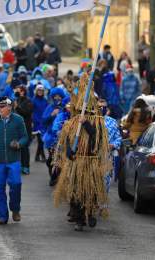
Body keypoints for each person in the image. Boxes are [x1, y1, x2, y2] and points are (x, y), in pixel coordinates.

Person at [53, 73, 110, 232]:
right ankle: (79, 219)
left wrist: (86, 125)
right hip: (76, 161)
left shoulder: (98, 123)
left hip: (90, 161)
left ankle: (90, 213)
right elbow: (65, 142)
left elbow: (97, 141)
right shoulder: (71, 124)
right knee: (76, 191)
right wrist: (69, 151)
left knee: (90, 191)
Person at [0, 96, 29, 224]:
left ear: (9, 107)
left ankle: (15, 209)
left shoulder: (18, 120)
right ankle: (2, 215)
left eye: (2, 106)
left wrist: (18, 144)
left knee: (16, 184)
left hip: (14, 160)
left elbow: (25, 137)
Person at [42, 87, 66, 185]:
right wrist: (51, 114)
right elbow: (43, 120)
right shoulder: (50, 107)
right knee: (51, 159)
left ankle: (57, 178)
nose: (57, 98)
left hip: (62, 137)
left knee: (60, 159)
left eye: (59, 96)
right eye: (55, 96)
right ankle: (53, 176)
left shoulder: (65, 108)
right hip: (51, 137)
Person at [14, 85, 33, 175]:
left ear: (23, 91)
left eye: (19, 91)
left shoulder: (28, 101)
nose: (17, 92)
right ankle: (21, 166)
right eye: (17, 91)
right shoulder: (16, 100)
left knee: (25, 147)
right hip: (17, 128)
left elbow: (27, 113)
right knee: (18, 147)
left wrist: (17, 107)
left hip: (26, 128)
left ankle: (26, 167)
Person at [31, 85, 48, 162]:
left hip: (43, 123)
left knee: (41, 141)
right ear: (36, 91)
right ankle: (43, 156)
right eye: (39, 91)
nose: (40, 92)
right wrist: (33, 120)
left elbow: (47, 111)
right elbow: (31, 112)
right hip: (37, 123)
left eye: (41, 91)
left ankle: (37, 156)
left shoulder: (45, 100)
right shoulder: (33, 100)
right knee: (40, 140)